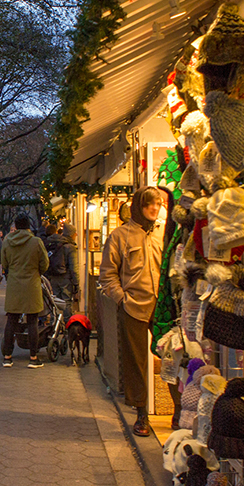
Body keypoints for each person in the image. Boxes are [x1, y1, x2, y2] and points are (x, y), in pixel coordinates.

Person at [99, 186, 163, 437]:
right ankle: (141, 413)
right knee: (136, 361)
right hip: (134, 305)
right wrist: (122, 298)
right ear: (138, 206)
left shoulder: (163, 234)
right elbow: (108, 273)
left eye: (157, 204)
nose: (154, 209)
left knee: (171, 357)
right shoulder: (120, 236)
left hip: (162, 305)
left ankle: (179, 409)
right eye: (149, 204)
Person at [0, 214, 49, 368]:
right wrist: (36, 272)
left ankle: (7, 356)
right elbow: (45, 263)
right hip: (32, 284)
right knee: (33, 320)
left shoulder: (8, 241)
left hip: (14, 284)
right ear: (28, 226)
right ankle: (33, 357)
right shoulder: (36, 242)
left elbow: (4, 263)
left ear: (16, 225)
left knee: (11, 320)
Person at [45, 222, 80, 308]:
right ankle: (67, 321)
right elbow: (74, 268)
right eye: (75, 233)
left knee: (55, 301)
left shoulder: (56, 243)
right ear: (71, 234)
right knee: (66, 302)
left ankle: (56, 320)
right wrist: (76, 283)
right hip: (65, 279)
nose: (76, 235)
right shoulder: (70, 247)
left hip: (53, 276)